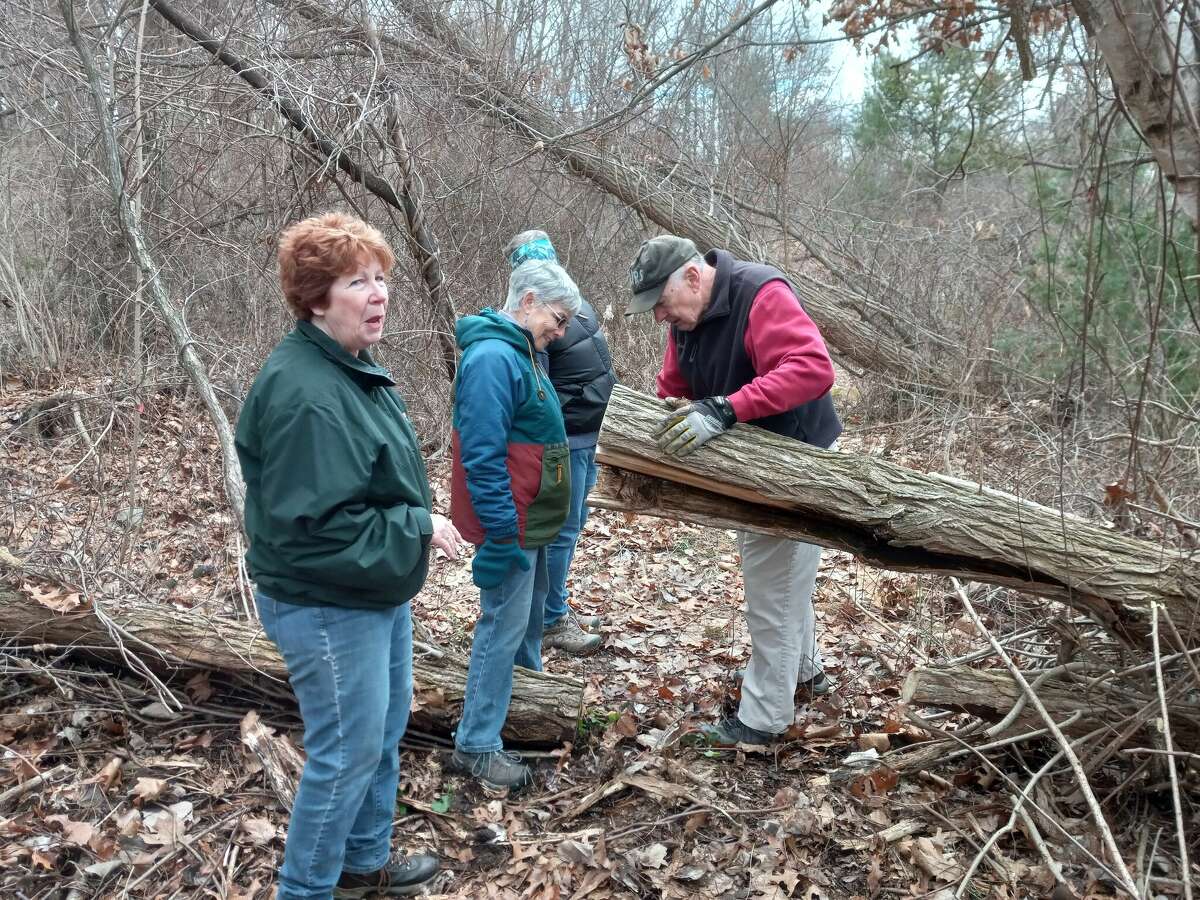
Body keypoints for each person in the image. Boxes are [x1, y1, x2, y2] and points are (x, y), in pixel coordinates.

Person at [236, 212, 464, 898]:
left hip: (369, 592)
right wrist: (417, 525)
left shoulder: (347, 365)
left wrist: (409, 523)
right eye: (357, 282)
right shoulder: (307, 394)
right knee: (344, 754)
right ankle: (305, 890)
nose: (378, 293)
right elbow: (320, 532)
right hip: (326, 603)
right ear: (315, 299)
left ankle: (363, 864)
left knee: (382, 732)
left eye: (381, 279)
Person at [626, 234, 842, 746]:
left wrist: (726, 408)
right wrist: (669, 418)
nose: (660, 318)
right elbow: (674, 387)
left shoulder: (760, 294)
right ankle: (807, 671)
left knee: (772, 591)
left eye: (661, 305)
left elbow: (813, 369)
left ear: (693, 278)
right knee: (783, 580)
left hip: (796, 459)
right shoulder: (689, 318)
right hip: (752, 466)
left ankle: (764, 719)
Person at [449, 258, 582, 791]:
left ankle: (527, 711)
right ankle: (476, 745)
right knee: (500, 630)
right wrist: (503, 533)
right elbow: (481, 456)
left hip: (533, 523)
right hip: (513, 527)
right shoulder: (491, 359)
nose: (562, 330)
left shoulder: (522, 352)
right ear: (527, 301)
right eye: (558, 317)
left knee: (524, 624)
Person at [503, 231, 616, 657]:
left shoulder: (571, 305)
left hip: (589, 436)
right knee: (559, 531)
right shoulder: (537, 320)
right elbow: (540, 386)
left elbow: (597, 364)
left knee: (572, 527)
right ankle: (551, 619)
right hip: (564, 442)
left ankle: (555, 606)